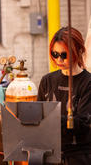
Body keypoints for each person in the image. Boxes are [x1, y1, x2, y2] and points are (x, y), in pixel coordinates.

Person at [37, 27, 91, 165]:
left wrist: (50, 118)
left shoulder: (88, 83)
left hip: (78, 156)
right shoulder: (47, 81)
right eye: (55, 54)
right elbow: (37, 116)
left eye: (64, 55)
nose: (59, 59)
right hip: (49, 153)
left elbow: (83, 124)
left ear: (79, 51)